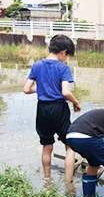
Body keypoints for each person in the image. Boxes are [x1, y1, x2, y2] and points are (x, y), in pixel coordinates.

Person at [23, 34, 81, 182]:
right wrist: (76, 102)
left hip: (42, 109)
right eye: (67, 55)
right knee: (70, 146)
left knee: (47, 145)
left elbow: (26, 89)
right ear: (63, 52)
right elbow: (65, 92)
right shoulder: (63, 68)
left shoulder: (37, 65)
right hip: (59, 108)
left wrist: (42, 89)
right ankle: (68, 182)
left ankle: (47, 179)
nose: (66, 59)